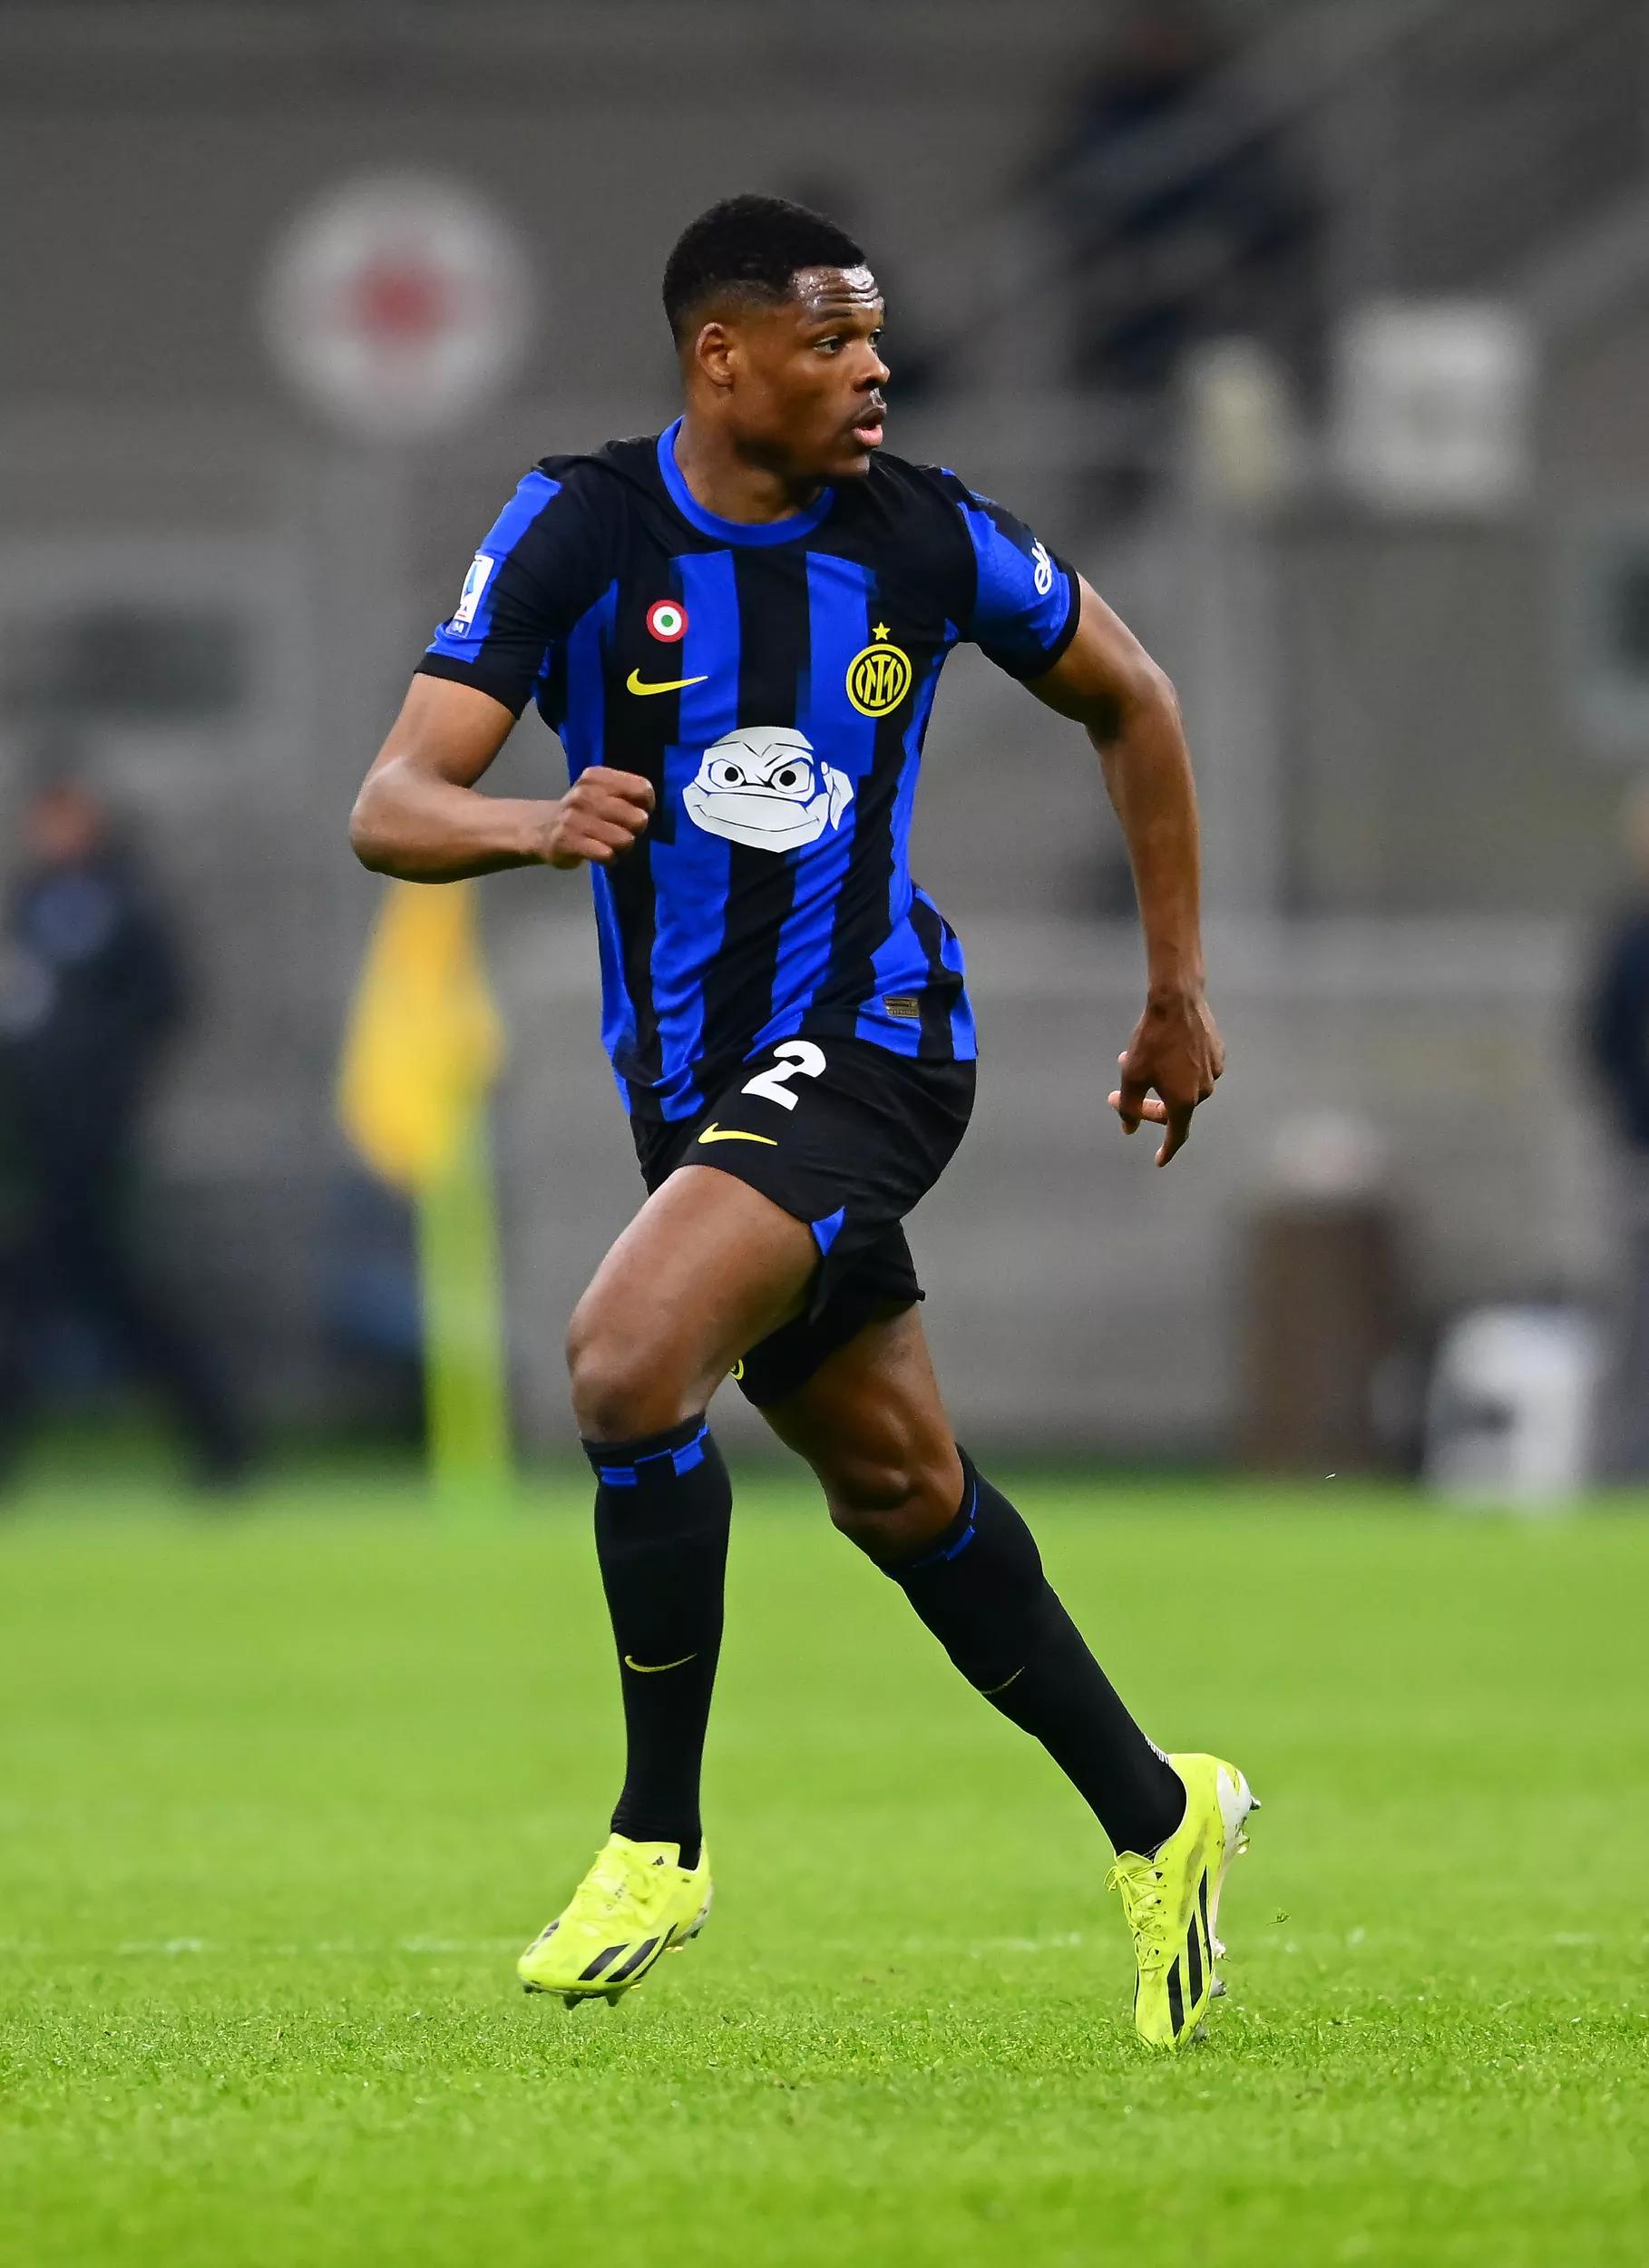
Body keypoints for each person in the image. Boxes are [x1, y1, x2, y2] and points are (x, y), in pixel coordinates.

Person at [351, 196, 1255, 2052]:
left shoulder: (924, 531)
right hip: (694, 1094)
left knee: (623, 1361)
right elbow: (392, 802)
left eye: (875, 338)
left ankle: (656, 1839)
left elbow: (1134, 698)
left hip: (875, 1036)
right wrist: (531, 823)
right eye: (833, 341)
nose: (874, 370)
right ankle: (1161, 1810)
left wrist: (1175, 988)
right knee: (900, 1486)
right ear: (722, 355)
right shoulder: (582, 525)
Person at [0, 778, 248, 1486]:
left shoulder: (126, 902)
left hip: (96, 1146)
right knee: (45, 1296)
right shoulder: (31, 902)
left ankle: (222, 1441)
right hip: (40, 1144)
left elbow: (162, 1001)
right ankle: (221, 1443)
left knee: (88, 1295)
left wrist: (99, 1070)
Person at [1583, 777, 1649, 1478]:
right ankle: (1621, 1468)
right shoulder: (1629, 943)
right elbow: (1600, 1044)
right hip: (1641, 1156)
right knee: (1633, 1321)